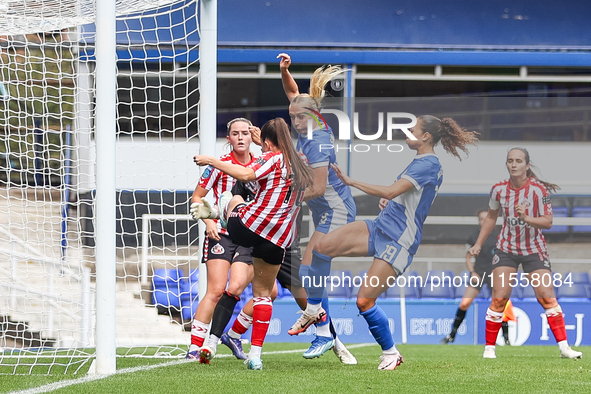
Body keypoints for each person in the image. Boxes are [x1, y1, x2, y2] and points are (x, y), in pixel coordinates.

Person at [306, 115, 479, 370]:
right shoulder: (422, 161)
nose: (407, 132)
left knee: (364, 301)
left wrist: (352, 182)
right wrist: (393, 201)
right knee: (321, 248)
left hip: (399, 240)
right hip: (380, 227)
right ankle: (314, 312)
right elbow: (403, 195)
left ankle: (391, 353)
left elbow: (390, 190)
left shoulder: (428, 163)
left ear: (425, 137)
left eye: (412, 129)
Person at [193, 117, 314, 370]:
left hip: (248, 228)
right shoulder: (303, 164)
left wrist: (212, 160)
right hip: (278, 238)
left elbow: (248, 173)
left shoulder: (269, 160)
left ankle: (217, 212)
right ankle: (254, 355)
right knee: (263, 295)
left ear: (265, 142)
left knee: (233, 198)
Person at [278, 53, 358, 361]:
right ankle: (322, 329)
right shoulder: (310, 121)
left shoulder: (318, 139)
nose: (295, 121)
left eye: (299, 117)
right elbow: (292, 93)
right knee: (308, 271)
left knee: (309, 267)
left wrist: (288, 199)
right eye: (292, 116)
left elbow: (320, 188)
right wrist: (284, 71)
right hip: (324, 212)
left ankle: (316, 320)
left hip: (337, 210)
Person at [469, 147, 582, 359]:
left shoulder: (539, 191)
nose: (514, 164)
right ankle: (489, 349)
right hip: (506, 249)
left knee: (547, 297)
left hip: (534, 250)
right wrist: (478, 243)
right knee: (500, 298)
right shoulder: (498, 190)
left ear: (527, 165)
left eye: (518, 161)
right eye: (510, 161)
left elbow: (548, 222)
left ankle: (565, 348)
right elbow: (492, 217)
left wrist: (527, 218)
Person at [185, 118, 257, 362]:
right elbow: (196, 198)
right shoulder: (218, 165)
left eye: (244, 133)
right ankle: (195, 348)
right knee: (215, 291)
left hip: (250, 237)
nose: (240, 137)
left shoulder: (261, 165)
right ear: (228, 138)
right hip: (222, 234)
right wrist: (209, 222)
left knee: (263, 291)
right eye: (235, 133)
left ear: (251, 136)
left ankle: (234, 334)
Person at [441, 209, 498, 344]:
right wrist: (473, 272)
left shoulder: (498, 236)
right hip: (478, 273)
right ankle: (452, 335)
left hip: (494, 274)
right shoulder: (474, 237)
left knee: (500, 305)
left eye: (486, 218)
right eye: (481, 219)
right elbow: (468, 257)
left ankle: (506, 339)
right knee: (464, 303)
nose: (483, 221)